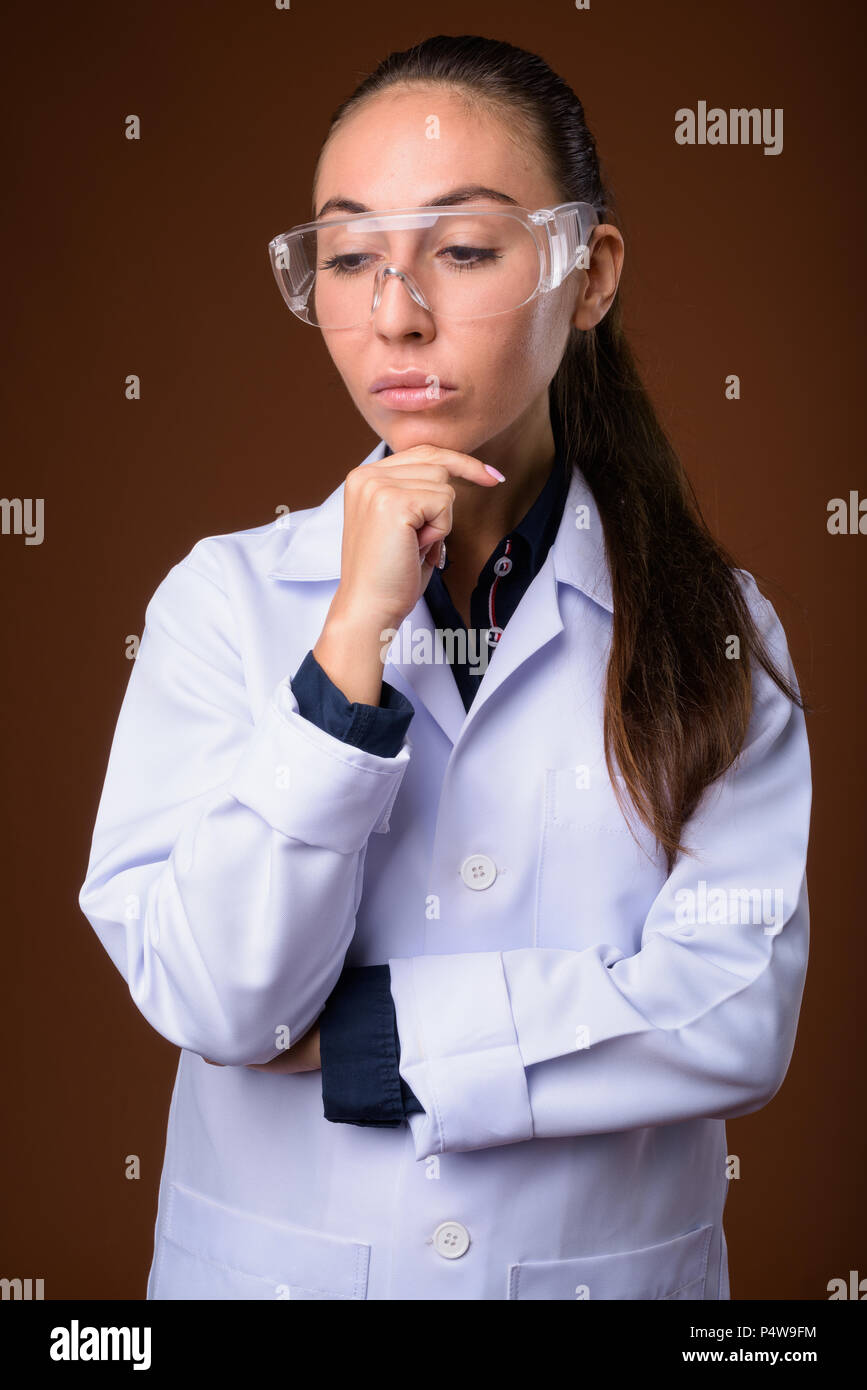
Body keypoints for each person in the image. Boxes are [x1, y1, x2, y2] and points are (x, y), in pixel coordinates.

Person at [78, 34, 811, 1301]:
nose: (395, 311)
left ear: (590, 272)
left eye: (463, 250)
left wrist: (380, 1040)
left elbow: (734, 1014)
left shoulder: (713, 622)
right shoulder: (222, 604)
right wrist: (348, 645)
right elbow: (216, 996)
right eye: (350, 257)